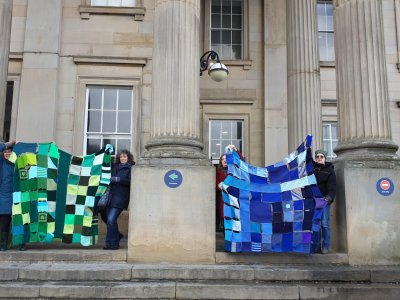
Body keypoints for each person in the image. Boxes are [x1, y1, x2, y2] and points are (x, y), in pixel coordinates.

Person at [103, 149, 134, 250]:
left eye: (124, 156)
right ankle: (110, 242)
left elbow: (131, 181)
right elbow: (105, 164)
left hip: (121, 198)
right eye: (121, 157)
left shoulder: (131, 168)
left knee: (111, 220)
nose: (122, 158)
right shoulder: (114, 166)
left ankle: (114, 243)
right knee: (108, 220)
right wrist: (106, 153)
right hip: (109, 197)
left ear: (128, 158)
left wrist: (118, 179)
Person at [313, 149, 336, 254]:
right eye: (317, 156)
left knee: (324, 224)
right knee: (315, 224)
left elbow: (332, 187)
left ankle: (325, 246)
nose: (319, 158)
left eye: (321, 156)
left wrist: (328, 198)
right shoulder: (312, 170)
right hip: (313, 201)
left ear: (324, 158)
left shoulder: (329, 170)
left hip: (324, 201)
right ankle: (316, 246)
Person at [215, 145, 243, 231]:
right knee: (226, 224)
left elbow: (240, 162)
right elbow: (215, 186)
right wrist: (219, 186)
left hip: (235, 199)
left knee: (236, 222)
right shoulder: (218, 172)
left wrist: (236, 150)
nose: (225, 160)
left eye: (226, 158)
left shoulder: (235, 171)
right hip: (224, 200)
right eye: (222, 159)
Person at [0, 140, 19, 251]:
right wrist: (8, 144)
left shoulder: (17, 163)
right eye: (5, 151)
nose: (7, 153)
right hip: (3, 197)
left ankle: (20, 243)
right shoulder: (1, 162)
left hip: (16, 197)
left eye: (9, 151)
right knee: (4, 222)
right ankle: (3, 245)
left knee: (19, 221)